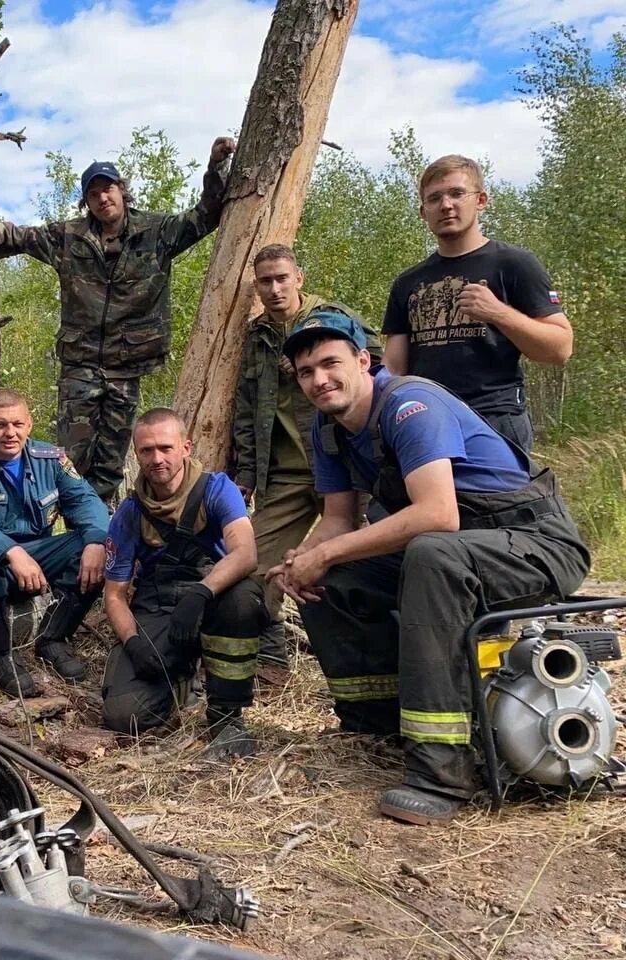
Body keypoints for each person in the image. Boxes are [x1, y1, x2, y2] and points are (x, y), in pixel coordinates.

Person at [271, 310, 589, 824]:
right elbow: (337, 521)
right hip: (459, 546)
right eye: (305, 372)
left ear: (362, 361)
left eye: (330, 364)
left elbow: (438, 515)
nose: (318, 380)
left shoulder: (409, 406)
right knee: (333, 579)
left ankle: (443, 769)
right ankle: (375, 727)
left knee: (429, 551)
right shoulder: (326, 430)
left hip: (536, 541)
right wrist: (306, 558)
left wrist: (327, 551)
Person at [0, 137, 235, 502]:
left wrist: (215, 168)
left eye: (109, 189)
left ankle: (99, 529)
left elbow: (205, 216)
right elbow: (23, 236)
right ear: (87, 201)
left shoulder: (156, 233)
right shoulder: (70, 237)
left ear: (122, 191)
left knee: (111, 460)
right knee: (72, 458)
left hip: (127, 365)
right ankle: (71, 526)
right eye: (94, 194)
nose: (103, 198)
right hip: (80, 364)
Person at [233, 244, 382, 677]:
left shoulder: (332, 319)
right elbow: (245, 408)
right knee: (253, 565)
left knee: (369, 560)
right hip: (283, 472)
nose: (275, 288)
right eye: (265, 281)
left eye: (282, 278)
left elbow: (379, 369)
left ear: (299, 277)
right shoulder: (256, 337)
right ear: (256, 288)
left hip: (348, 465)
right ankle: (272, 653)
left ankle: (372, 654)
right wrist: (246, 471)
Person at [101, 409, 265, 756]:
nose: (156, 459)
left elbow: (245, 553)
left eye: (165, 448)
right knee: (124, 715)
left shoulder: (218, 489)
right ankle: (179, 677)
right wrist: (133, 643)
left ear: (186, 447)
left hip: (214, 600)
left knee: (243, 598)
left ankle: (226, 713)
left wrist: (201, 593)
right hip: (157, 603)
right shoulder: (129, 513)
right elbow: (114, 594)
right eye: (146, 450)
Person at [383, 154, 572, 452]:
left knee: (503, 500)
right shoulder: (407, 282)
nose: (446, 205)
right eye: (434, 199)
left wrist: (498, 313)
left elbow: (560, 348)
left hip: (495, 419)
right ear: (423, 211)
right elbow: (394, 366)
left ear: (481, 200)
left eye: (457, 193)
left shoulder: (513, 263)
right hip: (427, 420)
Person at [0, 389, 109, 697]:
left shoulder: (52, 459)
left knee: (96, 548)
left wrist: (97, 541)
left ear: (29, 424)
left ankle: (54, 639)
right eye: (0, 425)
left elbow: (86, 501)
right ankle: (0, 655)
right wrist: (11, 551)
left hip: (41, 558)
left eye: (17, 424)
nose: (10, 433)